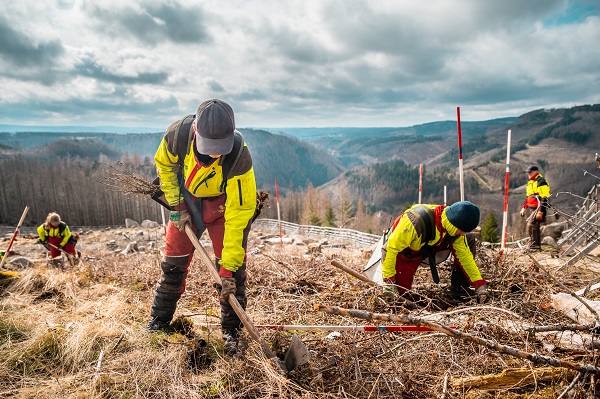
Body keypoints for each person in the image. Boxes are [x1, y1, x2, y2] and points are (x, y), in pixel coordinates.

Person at [147, 99, 257, 355]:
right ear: (196, 131)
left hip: (223, 208)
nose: (216, 153)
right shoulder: (177, 136)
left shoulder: (239, 156)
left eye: (221, 147)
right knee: (173, 264)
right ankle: (158, 322)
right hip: (188, 202)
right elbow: (164, 166)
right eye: (210, 146)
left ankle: (232, 332)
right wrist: (177, 205)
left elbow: (239, 214)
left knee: (234, 273)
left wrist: (227, 270)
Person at [381, 201, 488, 303]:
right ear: (455, 223)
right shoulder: (414, 222)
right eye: (462, 230)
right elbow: (389, 249)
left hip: (430, 247)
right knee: (400, 296)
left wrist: (479, 285)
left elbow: (465, 257)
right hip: (407, 253)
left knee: (469, 240)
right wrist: (389, 283)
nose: (463, 234)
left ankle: (460, 290)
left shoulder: (454, 229)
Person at [520, 165, 551, 251]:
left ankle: (534, 246)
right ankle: (535, 246)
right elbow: (528, 196)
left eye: (530, 172)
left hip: (539, 207)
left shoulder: (541, 182)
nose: (528, 174)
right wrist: (524, 207)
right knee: (535, 226)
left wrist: (541, 211)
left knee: (531, 225)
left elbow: (545, 197)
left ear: (536, 171)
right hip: (532, 207)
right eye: (528, 172)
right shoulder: (531, 182)